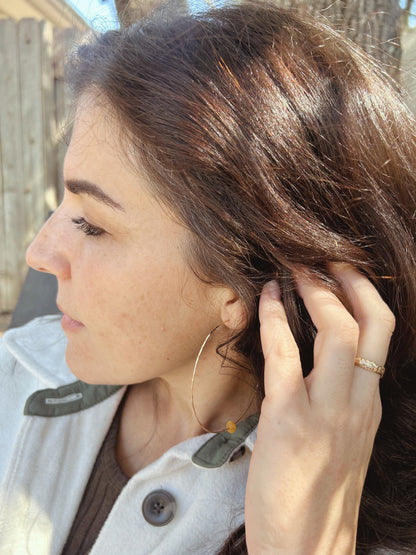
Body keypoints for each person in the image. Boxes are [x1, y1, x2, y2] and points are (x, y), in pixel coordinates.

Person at [1, 1, 415, 553]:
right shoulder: (17, 373)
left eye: (92, 224)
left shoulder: (376, 522)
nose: (39, 252)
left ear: (244, 281)